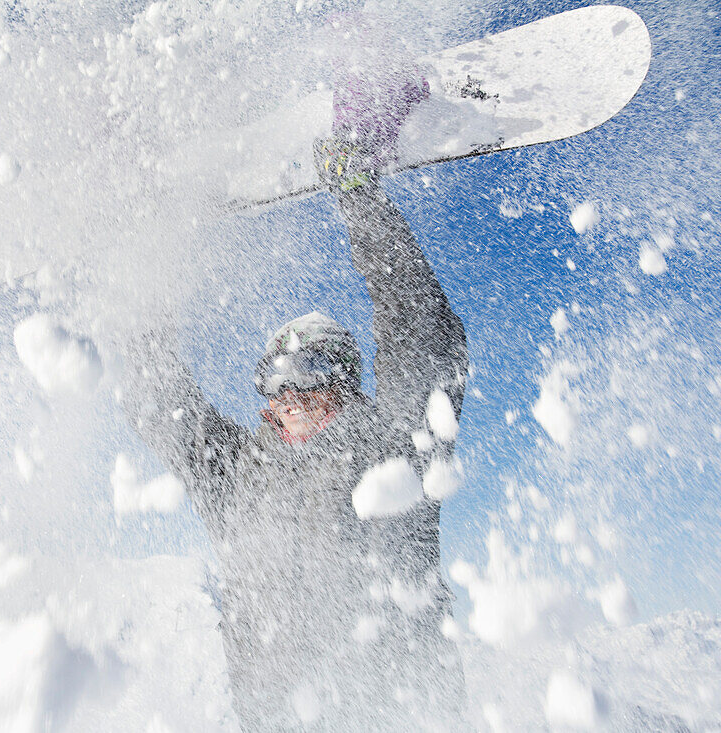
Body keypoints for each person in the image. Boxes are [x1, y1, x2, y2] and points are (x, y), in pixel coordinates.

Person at [120, 72, 469, 731]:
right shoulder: (238, 475)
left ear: (343, 376)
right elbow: (152, 393)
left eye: (305, 367)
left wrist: (359, 197)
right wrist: (142, 262)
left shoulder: (395, 451)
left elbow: (422, 331)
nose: (286, 389)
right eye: (271, 374)